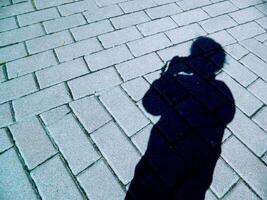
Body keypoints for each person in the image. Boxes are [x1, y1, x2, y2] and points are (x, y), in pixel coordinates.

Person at [125, 37, 235, 200]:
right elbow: (226, 115)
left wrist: (168, 75)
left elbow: (150, 105)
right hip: (197, 168)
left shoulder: (179, 81)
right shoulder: (222, 91)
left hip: (158, 156)